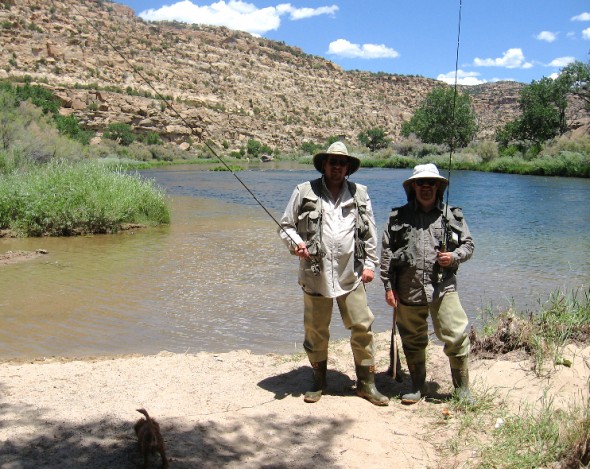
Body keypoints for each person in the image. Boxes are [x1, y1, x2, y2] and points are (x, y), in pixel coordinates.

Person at [278, 141, 388, 406]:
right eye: (332, 162)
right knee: (315, 330)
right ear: (324, 165)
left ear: (348, 168)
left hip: (352, 274)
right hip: (315, 274)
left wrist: (371, 264)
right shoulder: (304, 191)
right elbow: (285, 226)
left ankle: (366, 384)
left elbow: (370, 232)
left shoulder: (360, 194)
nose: (337, 167)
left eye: (342, 163)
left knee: (363, 326)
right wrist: (296, 244)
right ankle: (318, 382)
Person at [380, 163, 474, 404]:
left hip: (444, 288)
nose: (425, 188)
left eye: (430, 183)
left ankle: (463, 390)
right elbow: (386, 254)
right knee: (412, 339)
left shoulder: (452, 215)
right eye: (420, 183)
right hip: (407, 289)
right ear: (413, 187)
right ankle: (418, 386)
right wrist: (388, 288)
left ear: (437, 187)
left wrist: (452, 256)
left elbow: (469, 246)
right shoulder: (397, 217)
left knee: (455, 335)